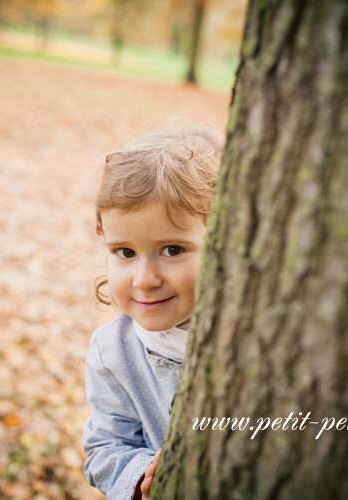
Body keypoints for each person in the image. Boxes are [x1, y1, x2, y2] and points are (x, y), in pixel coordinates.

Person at [82, 127, 222, 499]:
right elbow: (105, 447)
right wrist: (142, 474)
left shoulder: (257, 333)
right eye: (124, 252)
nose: (144, 281)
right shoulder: (113, 351)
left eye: (172, 249)